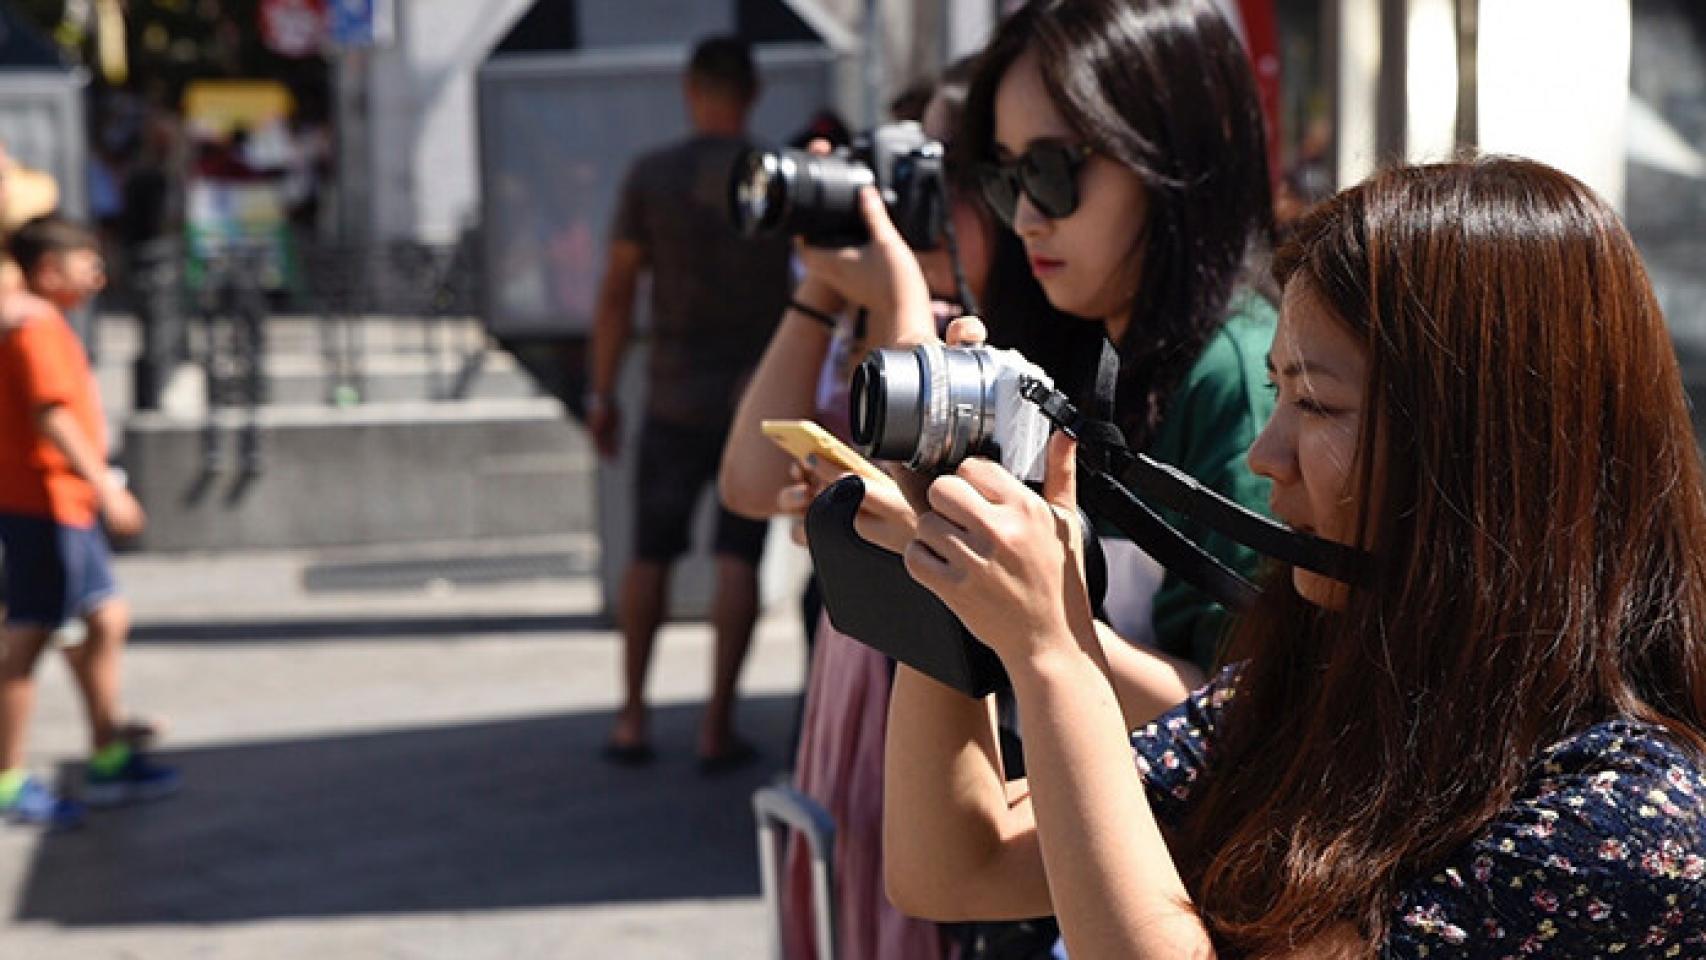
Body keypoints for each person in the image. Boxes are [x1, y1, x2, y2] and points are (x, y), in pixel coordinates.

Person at [882, 156, 1706, 956]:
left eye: (1315, 402)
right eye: (1279, 393)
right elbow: (960, 868)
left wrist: (1055, 657)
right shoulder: (1334, 690)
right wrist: (942, 575)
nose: (1269, 453)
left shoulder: (1628, 816)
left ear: (1489, 455)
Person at [587, 36, 792, 770]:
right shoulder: (774, 178)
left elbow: (616, 292)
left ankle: (632, 719)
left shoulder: (652, 177)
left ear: (690, 90)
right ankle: (715, 727)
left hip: (671, 391)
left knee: (649, 554)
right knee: (738, 555)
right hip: (753, 395)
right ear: (753, 92)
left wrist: (602, 391)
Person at [0, 216, 181, 829]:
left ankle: (107, 752)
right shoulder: (37, 326)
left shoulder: (34, 320)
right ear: (50, 270)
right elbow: (52, 414)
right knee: (29, 636)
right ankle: (9, 781)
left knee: (103, 618)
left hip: (59, 502)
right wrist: (106, 486)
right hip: (46, 502)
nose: (99, 275)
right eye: (87, 263)